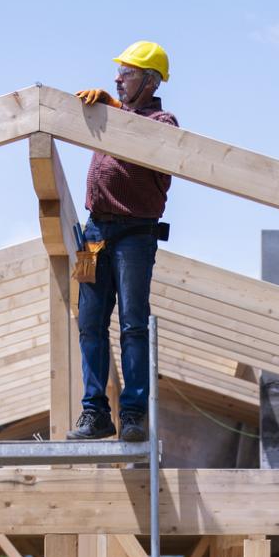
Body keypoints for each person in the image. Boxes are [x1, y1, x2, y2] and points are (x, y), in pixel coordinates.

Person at [69, 40, 178, 443]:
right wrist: (106, 111)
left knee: (133, 324)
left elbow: (152, 140)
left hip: (135, 234)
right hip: (93, 233)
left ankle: (132, 414)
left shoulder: (163, 120)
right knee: (87, 321)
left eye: (127, 73)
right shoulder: (113, 115)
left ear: (149, 82)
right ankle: (94, 412)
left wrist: (114, 112)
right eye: (118, 72)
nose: (117, 79)